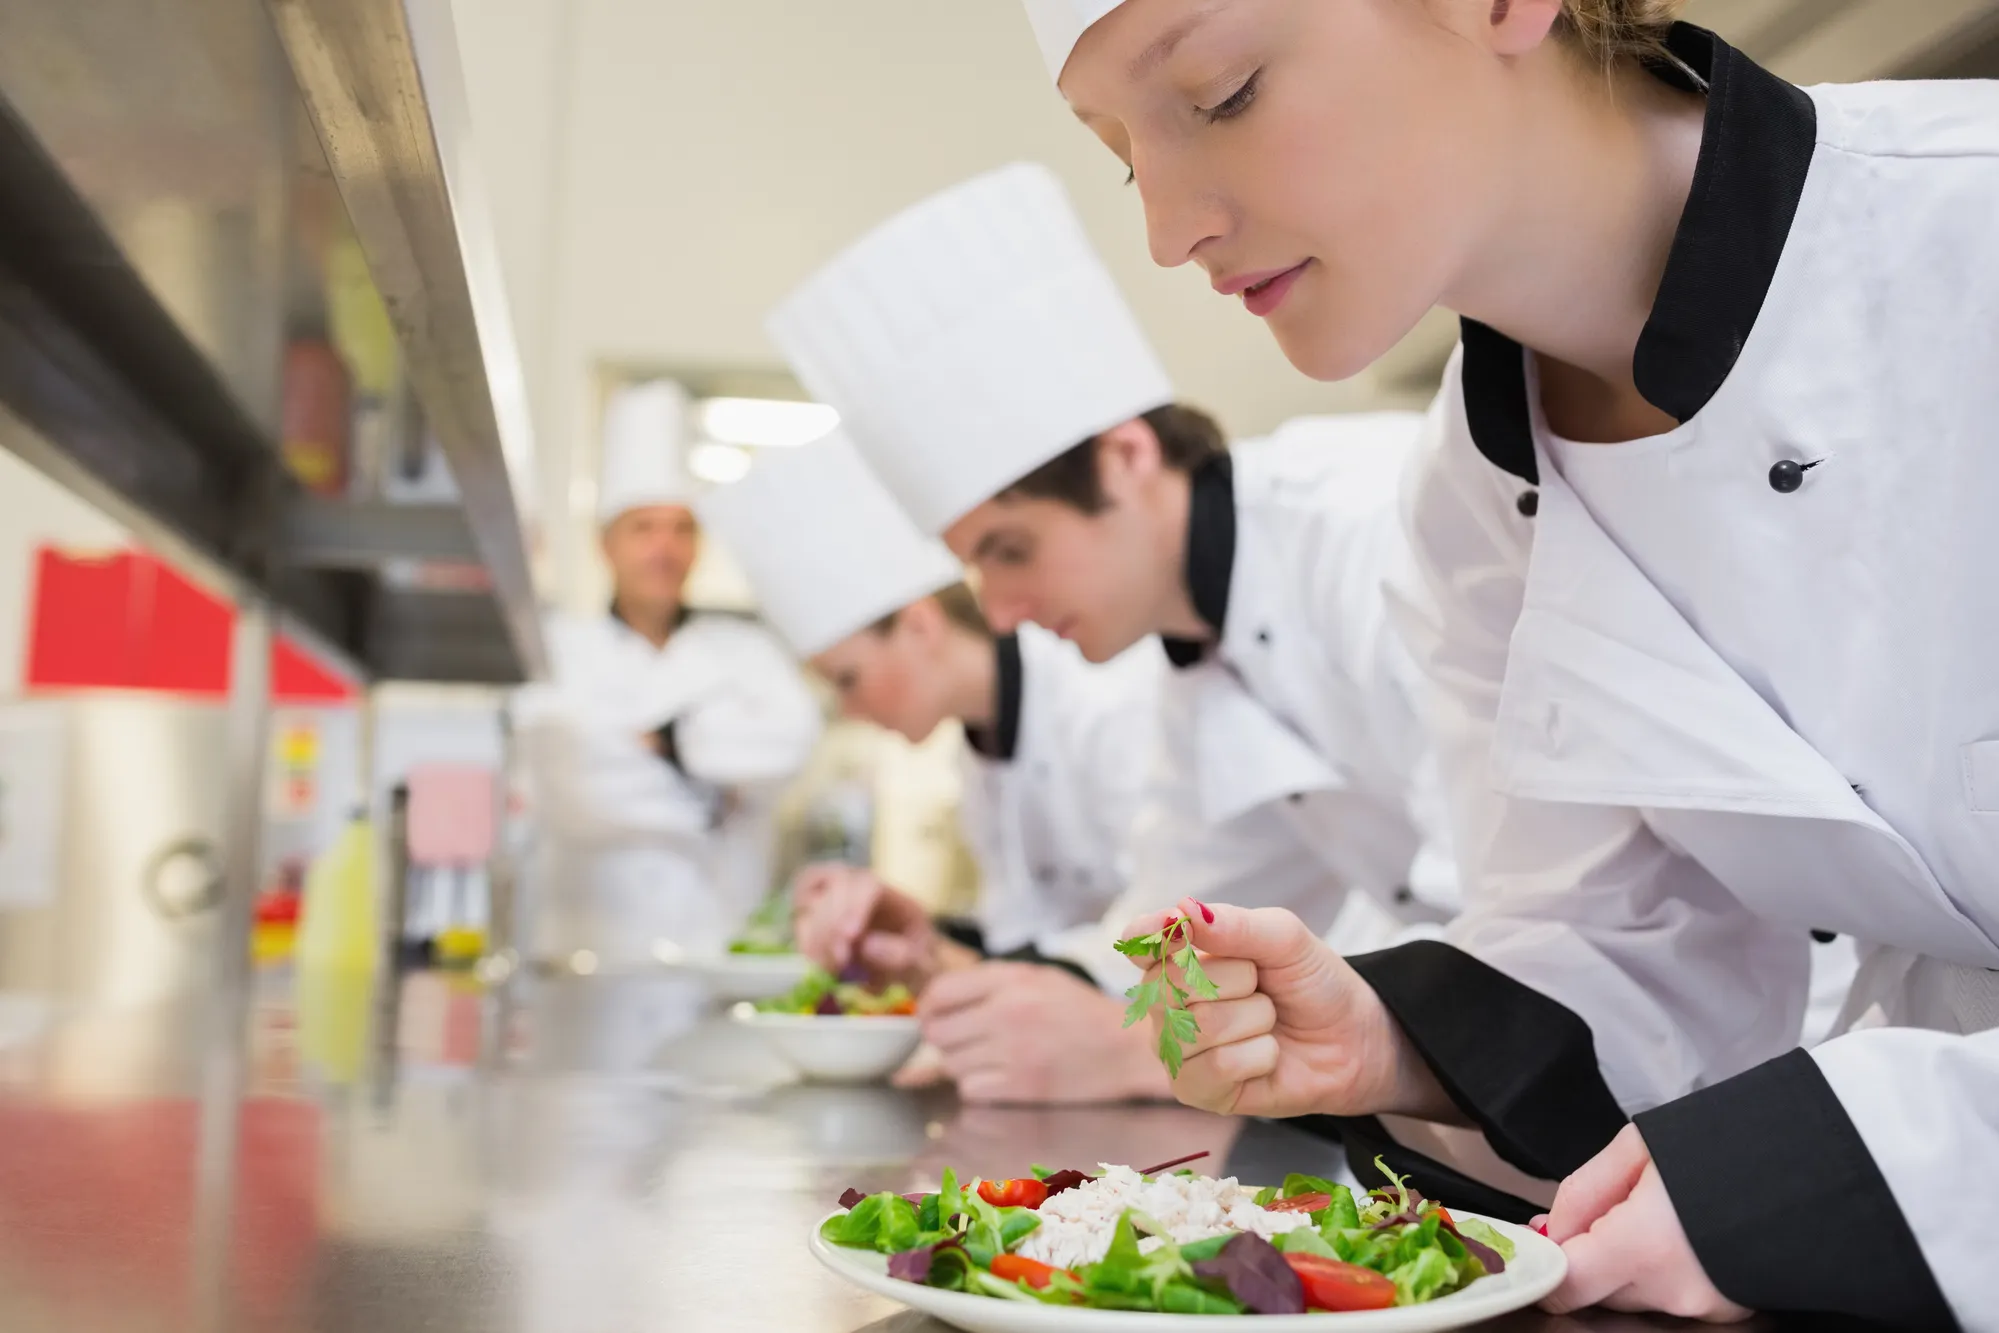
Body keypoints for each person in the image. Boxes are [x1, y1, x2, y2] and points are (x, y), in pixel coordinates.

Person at [1025, 0, 1999, 1323]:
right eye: (1123, 156)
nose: (1165, 230)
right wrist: (1388, 1037)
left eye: (1221, 90)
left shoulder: (1968, 236)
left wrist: (1829, 1170)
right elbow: (1638, 940)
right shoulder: (1473, 492)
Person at [767, 162, 1459, 1085]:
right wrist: (943, 960)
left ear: (1126, 457)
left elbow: (1509, 919)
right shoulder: (1199, 668)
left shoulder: (1374, 527)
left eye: (1010, 550)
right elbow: (1164, 936)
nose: (1001, 611)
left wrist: (1131, 1049)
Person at [700, 429, 1171, 1103]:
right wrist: (920, 949)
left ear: (920, 625)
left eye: (849, 678)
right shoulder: (979, 753)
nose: (852, 709)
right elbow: (1029, 949)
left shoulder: (1107, 699)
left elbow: (1167, 942)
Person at [514, 380, 821, 1063]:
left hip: (718, 966)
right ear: (607, 545)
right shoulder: (560, 650)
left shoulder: (748, 652)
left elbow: (791, 742)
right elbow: (573, 790)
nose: (665, 547)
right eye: (644, 527)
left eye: (682, 528)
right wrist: (718, 796)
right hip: (586, 968)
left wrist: (663, 746)